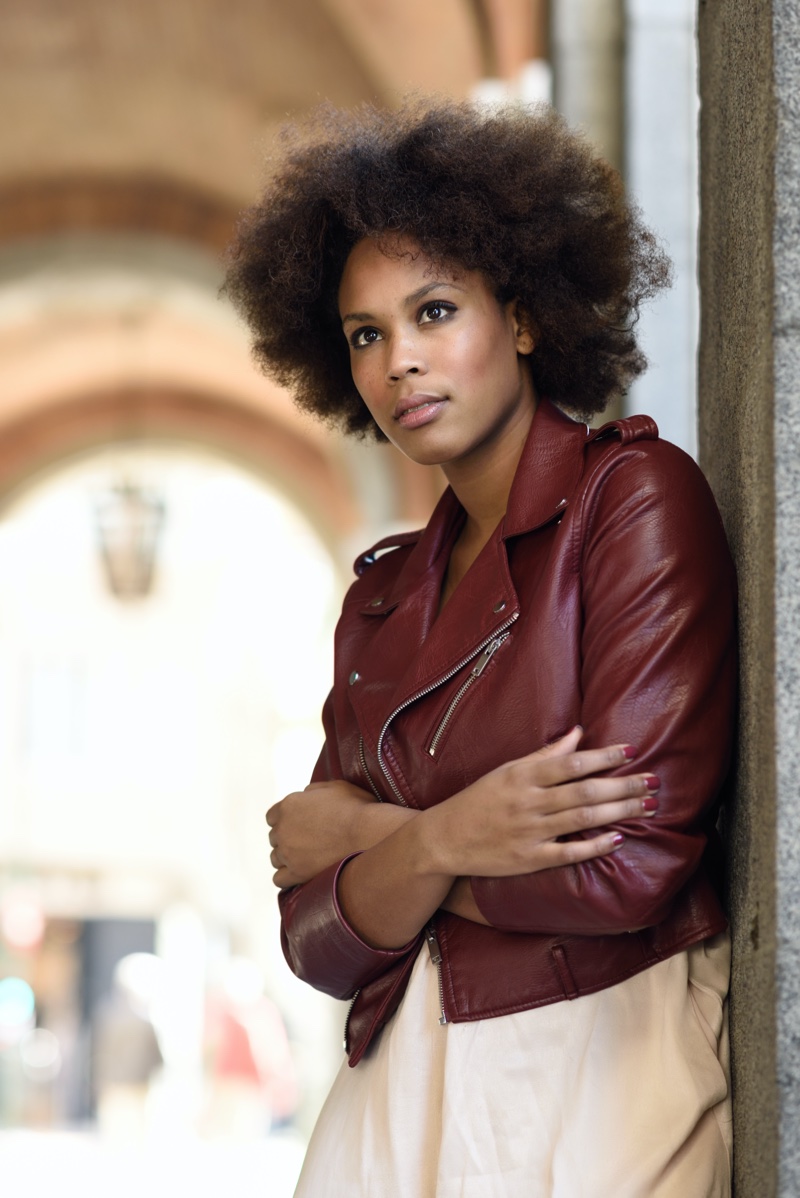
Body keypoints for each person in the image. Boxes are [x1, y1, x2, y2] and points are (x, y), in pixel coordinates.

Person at [226, 99, 736, 1197]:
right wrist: (454, 834)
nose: (399, 360)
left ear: (521, 317)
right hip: (396, 1085)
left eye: (433, 310)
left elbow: (628, 867)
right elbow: (313, 939)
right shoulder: (380, 601)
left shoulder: (633, 503)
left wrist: (379, 844)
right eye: (366, 334)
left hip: (597, 1063)